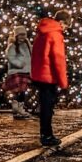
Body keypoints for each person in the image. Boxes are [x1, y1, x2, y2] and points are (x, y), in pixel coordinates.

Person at [31, 10, 69, 146]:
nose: (65, 30)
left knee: (44, 106)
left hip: (39, 74)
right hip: (49, 76)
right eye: (66, 26)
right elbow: (58, 59)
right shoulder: (55, 34)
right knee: (48, 107)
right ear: (62, 22)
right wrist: (63, 82)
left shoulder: (42, 32)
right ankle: (47, 136)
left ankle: (45, 134)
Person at [4, 26, 33, 119]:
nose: (22, 37)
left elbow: (31, 54)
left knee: (22, 91)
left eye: (23, 35)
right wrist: (19, 64)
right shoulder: (12, 46)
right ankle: (17, 108)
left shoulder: (26, 45)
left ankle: (18, 108)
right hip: (17, 71)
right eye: (20, 35)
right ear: (16, 36)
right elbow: (10, 57)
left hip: (25, 71)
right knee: (18, 90)